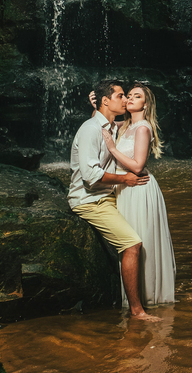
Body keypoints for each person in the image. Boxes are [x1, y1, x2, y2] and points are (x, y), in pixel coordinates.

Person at [68, 79, 161, 321]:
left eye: (130, 96)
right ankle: (137, 311)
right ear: (106, 101)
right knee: (132, 244)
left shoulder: (112, 127)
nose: (126, 99)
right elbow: (90, 176)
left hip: (107, 195)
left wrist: (100, 107)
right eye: (122, 95)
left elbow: (107, 121)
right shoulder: (91, 129)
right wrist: (124, 179)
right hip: (91, 199)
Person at [100, 82, 176, 306]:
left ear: (146, 104)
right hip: (125, 188)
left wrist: (112, 149)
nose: (130, 98)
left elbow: (137, 165)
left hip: (139, 189)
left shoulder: (143, 128)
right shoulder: (124, 126)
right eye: (129, 95)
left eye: (137, 96)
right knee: (128, 241)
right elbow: (102, 122)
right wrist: (96, 104)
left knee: (140, 239)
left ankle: (147, 296)